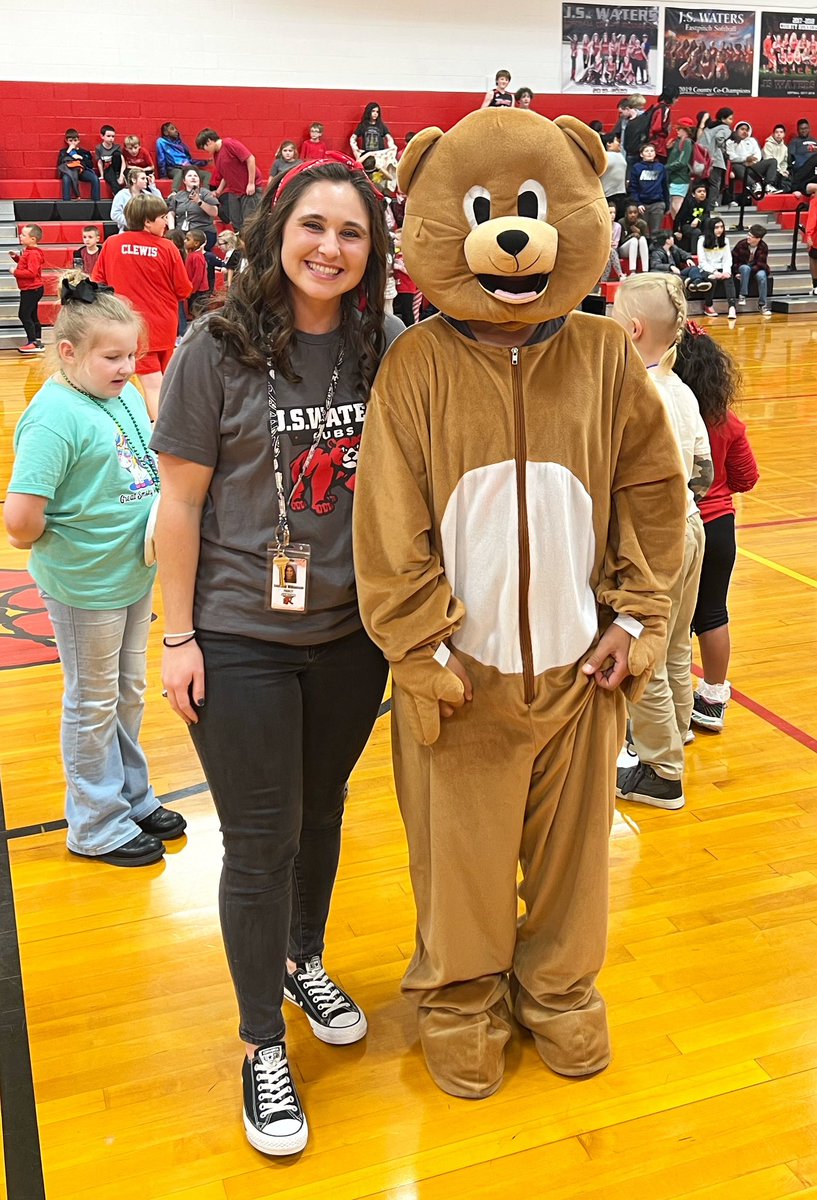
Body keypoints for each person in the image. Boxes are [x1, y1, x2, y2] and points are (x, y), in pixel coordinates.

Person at [353, 108, 687, 1104]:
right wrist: (420, 649)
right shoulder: (413, 364)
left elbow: (651, 492)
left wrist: (636, 619)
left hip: (582, 673)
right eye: (489, 212)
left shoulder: (600, 356)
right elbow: (388, 522)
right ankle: (460, 1002)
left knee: (575, 859)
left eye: (534, 210)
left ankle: (557, 991)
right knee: (457, 863)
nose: (512, 235)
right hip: (462, 682)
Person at [150, 154, 402, 1157]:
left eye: (350, 233)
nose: (329, 248)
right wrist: (176, 638)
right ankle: (262, 1045)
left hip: (349, 636)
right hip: (241, 636)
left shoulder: (384, 343)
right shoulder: (213, 348)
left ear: (371, 250)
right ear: (274, 232)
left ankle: (304, 959)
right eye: (312, 227)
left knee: (324, 811)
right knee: (261, 843)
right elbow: (179, 504)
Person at [4, 274, 186, 867]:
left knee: (127, 693)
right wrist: (67, 537)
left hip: (131, 574)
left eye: (132, 354)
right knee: (92, 702)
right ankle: (94, 823)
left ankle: (130, 797)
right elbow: (20, 520)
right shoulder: (53, 417)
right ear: (68, 353)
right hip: (86, 585)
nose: (128, 367)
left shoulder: (119, 394)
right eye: (112, 357)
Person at [612, 274, 711, 809]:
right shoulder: (682, 390)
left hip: (656, 539)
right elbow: (705, 470)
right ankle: (676, 732)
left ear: (631, 329)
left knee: (641, 649)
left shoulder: (636, 392)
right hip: (693, 527)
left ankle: (660, 770)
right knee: (675, 643)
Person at [674, 325, 758, 733]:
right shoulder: (728, 422)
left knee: (673, 619)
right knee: (713, 613)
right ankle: (711, 698)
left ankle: (672, 706)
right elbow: (747, 478)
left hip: (679, 526)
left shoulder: (667, 412)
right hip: (720, 527)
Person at [93, 194, 192, 421]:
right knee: (161, 383)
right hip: (164, 325)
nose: (166, 223)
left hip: (131, 326)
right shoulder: (167, 248)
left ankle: (160, 436)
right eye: (162, 218)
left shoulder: (111, 244)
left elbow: (98, 282)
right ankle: (165, 438)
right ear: (147, 221)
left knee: (153, 384)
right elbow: (184, 290)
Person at [195, 128, 263, 233]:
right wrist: (219, 191)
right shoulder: (216, 155)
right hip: (235, 191)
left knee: (250, 223)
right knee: (236, 222)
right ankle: (241, 247)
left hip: (248, 190)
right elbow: (225, 174)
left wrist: (251, 183)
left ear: (209, 141)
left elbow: (250, 159)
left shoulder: (229, 144)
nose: (205, 151)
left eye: (204, 148)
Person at [10, 224, 45, 354]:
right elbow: (26, 265)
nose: (20, 236)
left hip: (31, 290)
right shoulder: (29, 251)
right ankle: (37, 340)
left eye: (24, 235)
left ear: (33, 239)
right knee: (32, 314)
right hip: (32, 289)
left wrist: (15, 272)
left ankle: (33, 342)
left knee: (24, 315)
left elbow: (31, 273)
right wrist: (17, 258)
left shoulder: (33, 254)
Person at [167, 168, 220, 250]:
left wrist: (199, 202)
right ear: (184, 181)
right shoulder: (178, 195)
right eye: (190, 176)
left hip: (202, 232)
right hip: (182, 232)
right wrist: (172, 230)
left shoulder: (205, 193)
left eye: (195, 176)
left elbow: (214, 212)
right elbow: (171, 212)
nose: (193, 178)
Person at [697, 217, 737, 319]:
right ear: (711, 228)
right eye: (717, 227)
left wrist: (726, 271)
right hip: (706, 268)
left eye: (721, 227)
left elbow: (727, 259)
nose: (720, 230)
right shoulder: (701, 240)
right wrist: (714, 271)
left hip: (721, 267)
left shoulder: (725, 241)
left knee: (729, 278)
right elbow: (702, 262)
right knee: (712, 278)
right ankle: (708, 305)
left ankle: (732, 307)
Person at [728, 121, 778, 197]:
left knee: (772, 161)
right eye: (742, 129)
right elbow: (731, 157)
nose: (744, 132)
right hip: (740, 169)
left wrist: (753, 162)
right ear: (736, 130)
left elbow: (758, 154)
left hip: (753, 166)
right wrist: (745, 159)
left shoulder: (752, 141)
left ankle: (768, 185)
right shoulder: (730, 142)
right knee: (736, 166)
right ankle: (754, 186)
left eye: (746, 130)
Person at [156, 122, 212, 190]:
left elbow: (189, 160)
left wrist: (204, 162)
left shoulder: (181, 144)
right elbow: (161, 160)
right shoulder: (161, 142)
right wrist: (163, 176)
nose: (176, 130)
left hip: (186, 168)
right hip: (173, 168)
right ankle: (174, 193)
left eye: (176, 128)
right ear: (165, 132)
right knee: (179, 173)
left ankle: (205, 194)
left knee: (207, 175)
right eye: (172, 129)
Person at [629, 142, 669, 235]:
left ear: (655, 153)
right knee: (644, 233)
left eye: (652, 151)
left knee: (656, 233)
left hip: (657, 204)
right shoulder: (636, 168)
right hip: (642, 205)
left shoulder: (660, 167)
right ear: (641, 154)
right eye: (646, 151)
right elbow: (633, 188)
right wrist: (638, 203)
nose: (650, 153)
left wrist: (666, 204)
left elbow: (664, 186)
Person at [732, 224, 772, 317]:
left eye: (751, 236)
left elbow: (761, 264)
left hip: (757, 268)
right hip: (742, 267)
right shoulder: (741, 244)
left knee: (762, 276)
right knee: (745, 268)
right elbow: (734, 260)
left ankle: (762, 305)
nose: (748, 237)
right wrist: (736, 273)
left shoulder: (763, 247)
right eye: (748, 234)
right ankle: (742, 295)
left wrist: (749, 273)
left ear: (758, 239)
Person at [111, 167, 162, 233]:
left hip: (145, 231)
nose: (146, 181)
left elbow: (160, 204)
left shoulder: (147, 194)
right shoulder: (122, 194)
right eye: (143, 179)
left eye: (146, 178)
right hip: (127, 231)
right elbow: (114, 214)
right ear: (133, 180)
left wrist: (152, 186)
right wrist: (132, 222)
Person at [699, 108, 734, 207]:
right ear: (723, 119)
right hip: (715, 160)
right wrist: (721, 146)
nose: (731, 121)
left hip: (703, 159)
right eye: (730, 119)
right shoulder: (725, 128)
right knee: (715, 184)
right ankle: (710, 207)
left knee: (703, 184)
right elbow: (719, 137)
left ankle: (701, 205)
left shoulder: (709, 127)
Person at [56, 129, 101, 202]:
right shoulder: (63, 151)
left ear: (78, 140)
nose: (73, 143)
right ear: (66, 141)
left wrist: (81, 157)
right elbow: (60, 163)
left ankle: (96, 202)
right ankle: (66, 203)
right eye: (70, 141)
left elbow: (90, 165)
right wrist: (68, 151)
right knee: (66, 179)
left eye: (75, 140)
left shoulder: (84, 152)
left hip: (81, 171)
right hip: (69, 172)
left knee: (95, 178)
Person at [666, 117, 695, 216]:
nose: (677, 130)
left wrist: (666, 167)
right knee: (673, 206)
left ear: (685, 130)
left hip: (680, 178)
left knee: (676, 205)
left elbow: (682, 161)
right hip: (675, 177)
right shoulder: (678, 141)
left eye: (679, 129)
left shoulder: (686, 142)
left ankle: (678, 228)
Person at [674, 181, 711, 252]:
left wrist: (698, 219)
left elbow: (707, 214)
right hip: (687, 225)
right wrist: (677, 231)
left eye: (704, 191)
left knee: (709, 221)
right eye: (699, 191)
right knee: (696, 232)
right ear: (693, 194)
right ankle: (694, 254)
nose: (702, 193)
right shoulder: (688, 202)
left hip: (699, 224)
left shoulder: (706, 202)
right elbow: (679, 217)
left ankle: (708, 248)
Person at [601, 131, 627, 216]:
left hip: (621, 193)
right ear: (609, 143)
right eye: (617, 141)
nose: (619, 144)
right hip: (608, 195)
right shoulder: (603, 156)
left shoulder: (620, 155)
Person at [183, 228, 209, 316]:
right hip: (193, 289)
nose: (185, 241)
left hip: (198, 290)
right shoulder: (191, 254)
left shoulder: (197, 257)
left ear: (196, 243)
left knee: (198, 312)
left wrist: (192, 290)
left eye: (188, 239)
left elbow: (198, 276)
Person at [619, 201, 649, 272]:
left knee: (642, 239)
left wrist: (639, 233)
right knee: (634, 240)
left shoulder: (642, 224)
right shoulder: (621, 222)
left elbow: (647, 242)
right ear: (626, 214)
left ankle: (645, 270)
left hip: (639, 250)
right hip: (624, 250)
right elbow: (620, 242)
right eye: (630, 213)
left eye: (635, 213)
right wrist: (631, 235)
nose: (633, 215)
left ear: (638, 214)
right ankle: (632, 271)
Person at [96, 125, 124, 195]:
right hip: (107, 170)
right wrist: (102, 175)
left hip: (116, 169)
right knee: (112, 178)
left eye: (113, 136)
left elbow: (123, 162)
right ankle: (118, 194)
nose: (111, 138)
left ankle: (117, 177)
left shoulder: (117, 147)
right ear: (102, 136)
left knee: (117, 154)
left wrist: (121, 175)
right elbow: (99, 162)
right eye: (108, 136)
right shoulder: (99, 148)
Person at [762, 124, 791, 190]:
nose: (778, 134)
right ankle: (769, 186)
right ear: (773, 134)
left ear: (784, 134)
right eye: (776, 132)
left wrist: (784, 170)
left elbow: (784, 162)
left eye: (781, 132)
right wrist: (780, 171)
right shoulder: (768, 145)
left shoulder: (785, 148)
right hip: (769, 170)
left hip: (780, 171)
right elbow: (768, 160)